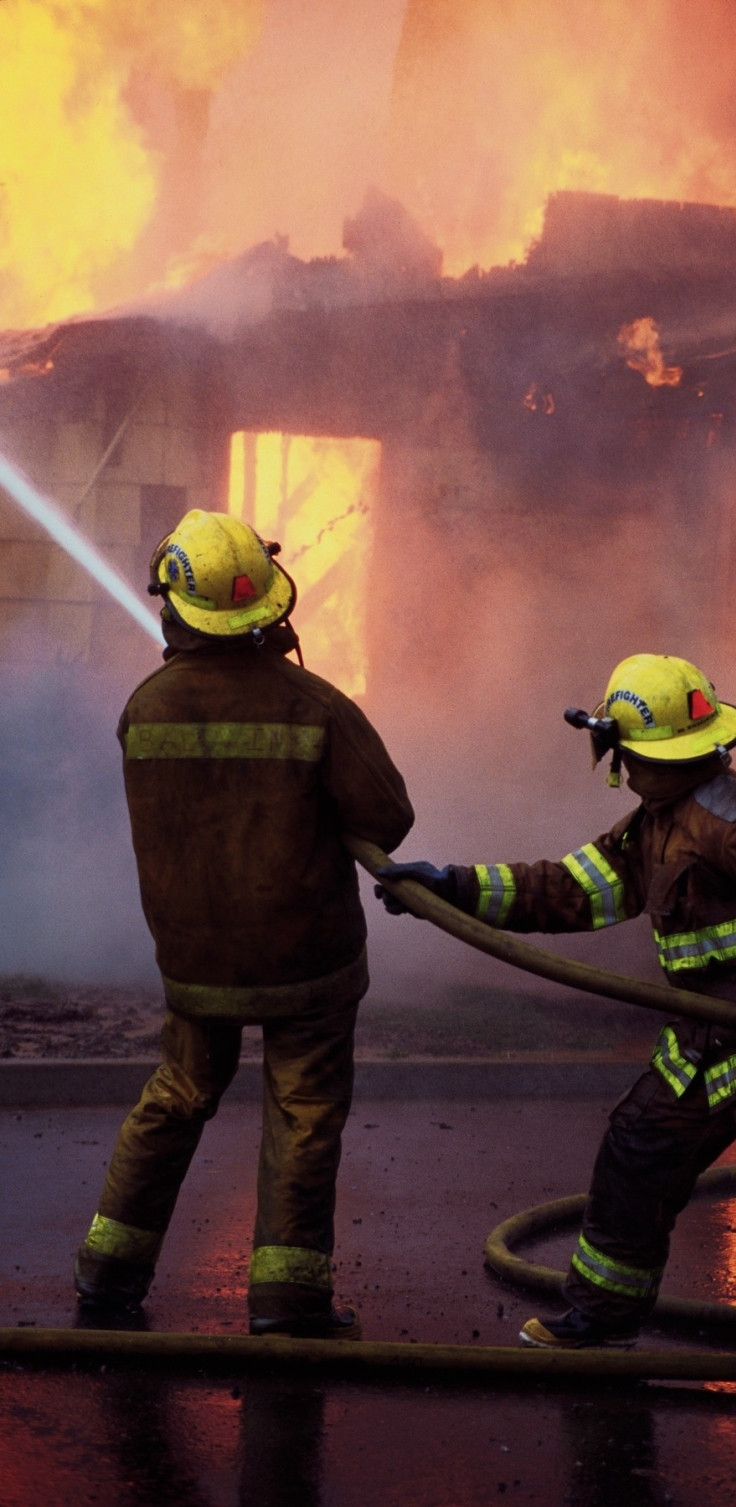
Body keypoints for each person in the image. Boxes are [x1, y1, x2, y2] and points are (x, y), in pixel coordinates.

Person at [375, 652, 736, 1428]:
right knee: (635, 1161)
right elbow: (569, 888)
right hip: (701, 1044)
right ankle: (602, 1316)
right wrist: (454, 884)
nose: (621, 766)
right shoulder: (656, 823)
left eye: (625, 753)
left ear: (643, 750)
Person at [75, 509, 413, 1338]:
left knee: (175, 1097)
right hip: (309, 963)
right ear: (271, 608)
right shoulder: (316, 706)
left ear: (172, 608)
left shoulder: (144, 707)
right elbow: (389, 815)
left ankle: (108, 1277)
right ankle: (288, 1302)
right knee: (302, 1114)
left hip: (196, 963)